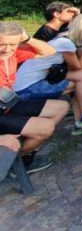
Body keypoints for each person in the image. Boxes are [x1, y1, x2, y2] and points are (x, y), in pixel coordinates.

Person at [0, 22, 69, 173]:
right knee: (46, 127)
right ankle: (8, 162)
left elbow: (49, 51)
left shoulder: (13, 53)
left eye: (12, 44)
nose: (6, 49)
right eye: (2, 44)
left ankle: (21, 157)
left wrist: (27, 38)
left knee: (61, 107)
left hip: (9, 102)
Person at [14, 15, 82, 135]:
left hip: (25, 84)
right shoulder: (65, 43)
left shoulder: (62, 38)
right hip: (26, 90)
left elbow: (75, 66)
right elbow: (78, 66)